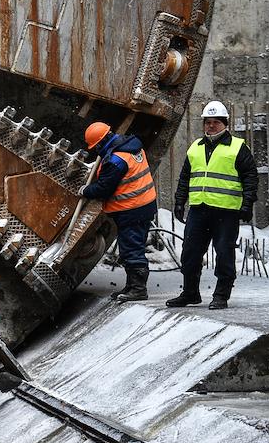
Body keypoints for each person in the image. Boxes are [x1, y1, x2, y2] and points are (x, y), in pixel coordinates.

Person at [167, 101, 258, 310]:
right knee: (190, 252)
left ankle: (221, 296)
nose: (211, 126)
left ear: (225, 123)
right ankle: (190, 293)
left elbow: (250, 178)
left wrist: (247, 204)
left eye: (216, 122)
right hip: (199, 209)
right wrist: (180, 201)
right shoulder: (195, 147)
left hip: (226, 212)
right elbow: (185, 178)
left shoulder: (237, 147)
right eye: (208, 122)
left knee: (224, 253)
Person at [79, 121, 158, 302]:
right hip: (142, 206)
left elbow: (103, 189)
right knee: (130, 247)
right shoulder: (131, 147)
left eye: (95, 147)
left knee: (132, 249)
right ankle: (132, 286)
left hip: (132, 210)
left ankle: (138, 289)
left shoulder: (116, 160)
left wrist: (85, 191)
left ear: (100, 143)